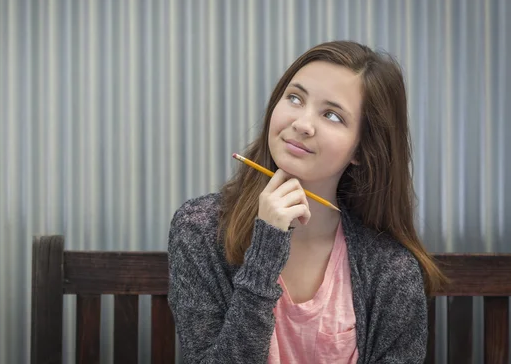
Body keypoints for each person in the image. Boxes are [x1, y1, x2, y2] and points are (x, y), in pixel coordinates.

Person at [167, 41, 446, 363]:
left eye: (332, 115)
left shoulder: (391, 270)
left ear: (361, 149)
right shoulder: (200, 229)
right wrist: (265, 251)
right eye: (295, 98)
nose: (302, 124)